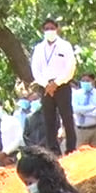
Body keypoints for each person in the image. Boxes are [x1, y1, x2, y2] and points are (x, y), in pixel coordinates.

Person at [31, 18, 77, 154]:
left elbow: (70, 67)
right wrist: (46, 84)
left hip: (62, 85)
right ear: (42, 31)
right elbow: (35, 69)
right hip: (45, 86)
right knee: (49, 118)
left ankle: (71, 148)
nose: (49, 31)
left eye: (51, 28)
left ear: (57, 29)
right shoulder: (38, 48)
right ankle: (53, 149)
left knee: (67, 117)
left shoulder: (65, 46)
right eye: (46, 29)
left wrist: (56, 83)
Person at [72, 73, 96, 148]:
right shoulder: (76, 94)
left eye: (87, 80)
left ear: (93, 81)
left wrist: (83, 112)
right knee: (80, 155)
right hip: (81, 131)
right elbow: (75, 109)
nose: (85, 83)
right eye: (83, 81)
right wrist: (91, 108)